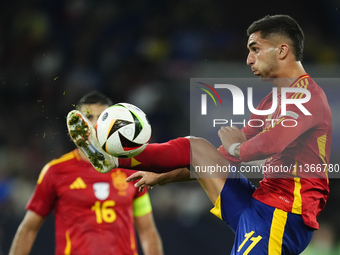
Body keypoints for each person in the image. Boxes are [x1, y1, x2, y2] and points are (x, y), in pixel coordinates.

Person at [67, 15, 332, 255]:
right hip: (260, 202)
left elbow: (268, 144)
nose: (249, 59)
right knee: (197, 148)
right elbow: (221, 158)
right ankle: (112, 159)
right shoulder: (271, 102)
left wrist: (239, 147)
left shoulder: (307, 97)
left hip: (285, 215)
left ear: (282, 50)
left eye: (255, 49)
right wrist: (164, 177)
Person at [9, 92, 164, 255]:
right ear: (75, 125)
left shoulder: (130, 171)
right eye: (88, 117)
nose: (94, 124)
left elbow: (147, 230)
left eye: (102, 118)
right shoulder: (55, 171)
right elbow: (28, 229)